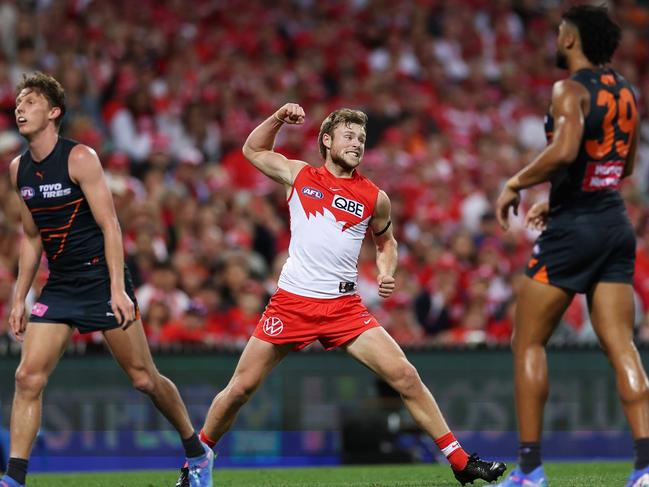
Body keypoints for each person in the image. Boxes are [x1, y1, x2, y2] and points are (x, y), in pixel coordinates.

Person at [176, 103, 507, 486]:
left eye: (362, 138)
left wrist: (387, 271)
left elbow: (387, 242)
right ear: (327, 141)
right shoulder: (299, 174)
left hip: (343, 307)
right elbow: (253, 150)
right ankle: (198, 462)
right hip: (293, 302)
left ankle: (461, 462)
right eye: (349, 136)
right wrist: (279, 119)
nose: (357, 143)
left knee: (405, 376)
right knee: (240, 389)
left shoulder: (373, 196)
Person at [0, 72, 212, 487]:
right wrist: (17, 298)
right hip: (59, 286)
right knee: (27, 377)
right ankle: (14, 480)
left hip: (100, 279)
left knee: (143, 378)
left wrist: (117, 288)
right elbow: (30, 236)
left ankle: (197, 452)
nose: (20, 108)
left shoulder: (80, 158)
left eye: (30, 101)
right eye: (18, 102)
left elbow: (111, 225)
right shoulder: (18, 169)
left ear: (54, 112)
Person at [495, 6, 646, 487]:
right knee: (622, 345)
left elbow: (564, 150)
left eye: (561, 31)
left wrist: (516, 183)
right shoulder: (626, 90)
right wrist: (558, 198)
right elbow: (622, 168)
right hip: (614, 222)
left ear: (571, 39)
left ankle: (531, 470)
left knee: (528, 342)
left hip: (574, 230)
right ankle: (645, 468)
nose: (556, 37)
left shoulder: (569, 89)